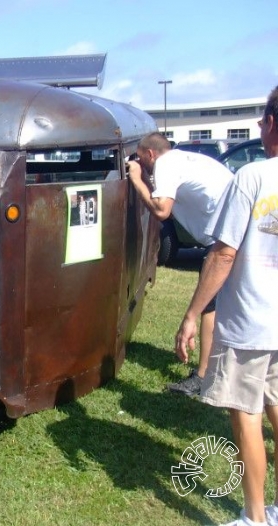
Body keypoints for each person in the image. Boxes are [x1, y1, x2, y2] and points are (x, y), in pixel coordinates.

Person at [175, 85, 278, 526]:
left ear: (272, 123)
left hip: (251, 319)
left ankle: (255, 517)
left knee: (248, 416)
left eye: (261, 119)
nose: (258, 127)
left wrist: (193, 314)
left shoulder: (252, 176)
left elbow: (222, 253)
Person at [127, 131, 233, 396]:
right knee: (221, 305)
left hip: (224, 240)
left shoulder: (164, 164)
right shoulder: (185, 159)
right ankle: (218, 370)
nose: (141, 164)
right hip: (233, 232)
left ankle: (203, 377)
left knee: (208, 304)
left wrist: (136, 178)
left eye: (141, 159)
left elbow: (161, 209)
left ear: (150, 154)